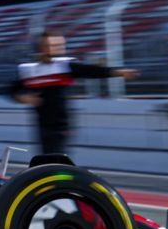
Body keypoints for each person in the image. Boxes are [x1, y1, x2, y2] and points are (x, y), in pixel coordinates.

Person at [9, 30, 137, 164]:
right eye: (48, 45)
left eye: (55, 45)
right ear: (39, 46)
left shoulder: (64, 66)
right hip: (41, 124)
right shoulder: (29, 70)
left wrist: (118, 72)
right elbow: (11, 91)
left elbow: (92, 71)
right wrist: (24, 98)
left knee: (56, 160)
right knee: (45, 160)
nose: (52, 49)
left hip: (62, 125)